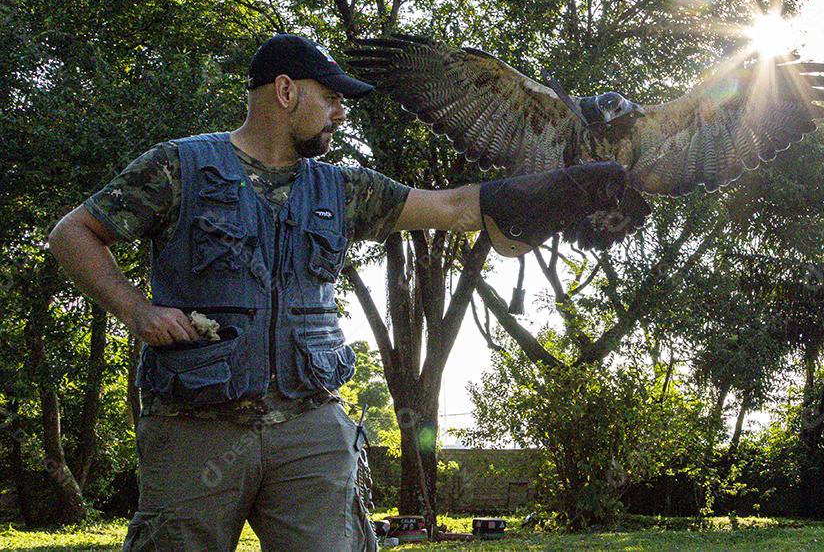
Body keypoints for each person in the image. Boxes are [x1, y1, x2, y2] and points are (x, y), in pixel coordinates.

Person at [48, 33, 625, 551]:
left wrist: (563, 187)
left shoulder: (343, 187)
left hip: (310, 427)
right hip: (195, 428)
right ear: (284, 92)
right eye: (329, 98)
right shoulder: (180, 167)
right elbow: (73, 234)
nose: (340, 113)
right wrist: (137, 311)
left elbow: (450, 207)